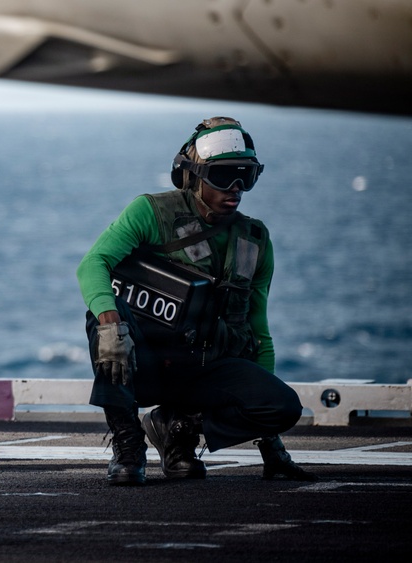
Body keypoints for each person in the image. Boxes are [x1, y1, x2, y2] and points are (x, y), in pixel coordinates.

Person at [76, 116, 316, 486]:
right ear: (194, 175)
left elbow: (258, 332)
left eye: (246, 176)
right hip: (145, 364)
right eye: (223, 176)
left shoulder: (254, 240)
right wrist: (110, 322)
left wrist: (273, 446)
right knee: (103, 322)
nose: (235, 188)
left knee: (283, 406)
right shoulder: (151, 213)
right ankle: (128, 446)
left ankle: (178, 429)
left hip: (206, 369)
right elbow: (94, 263)